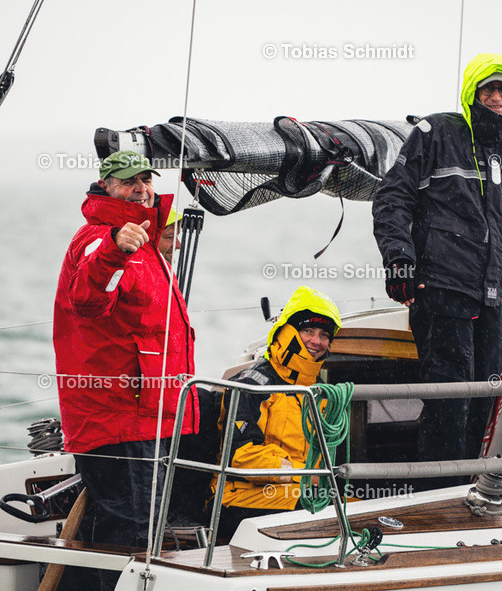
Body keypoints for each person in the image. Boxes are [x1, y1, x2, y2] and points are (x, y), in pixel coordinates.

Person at [372, 53, 502, 482]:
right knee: (450, 399)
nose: (497, 97)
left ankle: (464, 486)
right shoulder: (436, 133)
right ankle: (438, 494)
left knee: (484, 397)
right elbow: (393, 198)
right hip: (442, 289)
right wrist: (399, 260)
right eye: (488, 89)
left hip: (493, 298)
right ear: (473, 94)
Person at [53, 150, 198, 590]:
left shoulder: (147, 243)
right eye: (128, 180)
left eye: (146, 179)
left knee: (128, 529)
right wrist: (115, 251)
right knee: (133, 534)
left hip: (145, 414)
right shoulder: (101, 239)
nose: (141, 188)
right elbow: (87, 301)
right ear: (106, 185)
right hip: (119, 415)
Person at [213, 286, 341, 538]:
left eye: (324, 335)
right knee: (324, 512)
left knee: (359, 509)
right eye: (308, 331)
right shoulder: (250, 385)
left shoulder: (321, 394)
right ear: (287, 333)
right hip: (238, 495)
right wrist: (303, 476)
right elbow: (241, 456)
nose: (316, 341)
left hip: (302, 492)